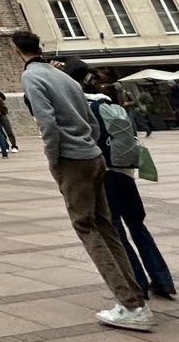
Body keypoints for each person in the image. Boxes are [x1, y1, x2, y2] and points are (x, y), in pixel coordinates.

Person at [14, 31, 152, 332]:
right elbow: (89, 119)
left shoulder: (33, 77)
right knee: (105, 225)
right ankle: (136, 296)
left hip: (72, 160)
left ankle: (130, 304)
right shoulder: (62, 75)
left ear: (16, 50)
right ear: (40, 47)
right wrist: (88, 144)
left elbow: (46, 121)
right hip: (94, 156)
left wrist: (54, 157)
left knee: (85, 226)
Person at [81, 74, 176, 301]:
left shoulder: (84, 108)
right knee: (138, 226)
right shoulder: (110, 103)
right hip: (125, 173)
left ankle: (137, 284)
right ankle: (163, 280)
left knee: (115, 230)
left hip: (103, 173)